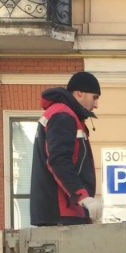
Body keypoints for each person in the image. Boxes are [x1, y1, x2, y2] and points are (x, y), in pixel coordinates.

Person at [30, 71, 105, 227]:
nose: (96, 105)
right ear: (79, 93)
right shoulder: (63, 116)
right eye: (95, 97)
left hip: (63, 213)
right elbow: (58, 161)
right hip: (62, 214)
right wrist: (82, 197)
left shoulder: (64, 115)